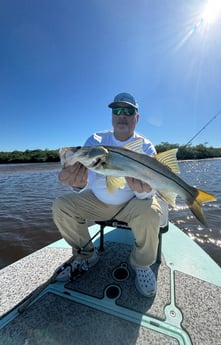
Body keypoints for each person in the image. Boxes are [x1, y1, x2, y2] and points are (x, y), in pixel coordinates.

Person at [52, 92, 163, 297]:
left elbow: (152, 190)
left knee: (151, 212)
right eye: (117, 110)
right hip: (98, 202)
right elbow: (86, 182)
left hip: (133, 203)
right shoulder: (95, 140)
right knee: (61, 205)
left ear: (136, 118)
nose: (122, 115)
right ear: (112, 116)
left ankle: (142, 264)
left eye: (128, 111)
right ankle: (86, 255)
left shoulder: (146, 146)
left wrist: (142, 191)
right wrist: (76, 185)